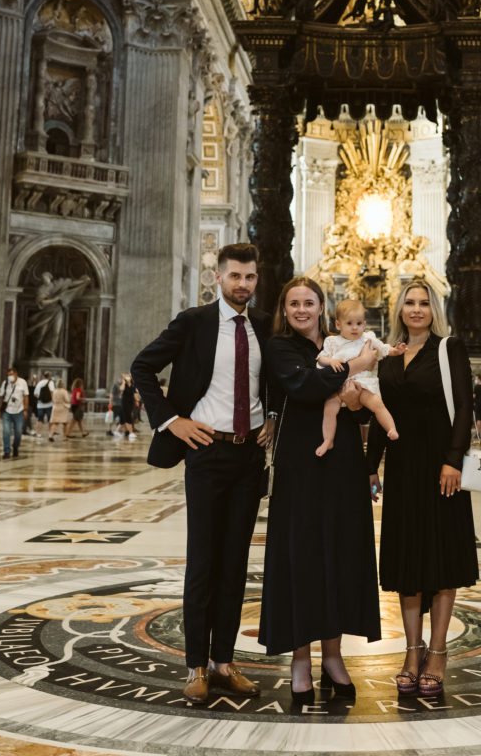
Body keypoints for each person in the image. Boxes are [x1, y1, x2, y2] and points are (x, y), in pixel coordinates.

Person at [131, 242, 273, 706]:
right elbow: (142, 367)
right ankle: (195, 665)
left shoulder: (264, 327)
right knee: (204, 562)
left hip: (249, 456)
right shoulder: (194, 322)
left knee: (235, 565)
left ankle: (224, 663)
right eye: (235, 276)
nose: (243, 285)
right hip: (207, 453)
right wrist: (173, 420)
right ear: (219, 277)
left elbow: (278, 381)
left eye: (250, 277)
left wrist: (274, 416)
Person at [258, 277, 381, 702]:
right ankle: (299, 657)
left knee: (339, 550)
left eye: (309, 302)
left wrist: (352, 388)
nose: (301, 310)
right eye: (293, 303)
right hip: (300, 460)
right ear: (285, 308)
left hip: (343, 457)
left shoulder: (334, 344)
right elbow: (304, 386)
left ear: (321, 306)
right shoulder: (280, 347)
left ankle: (333, 653)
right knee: (302, 552)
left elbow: (358, 400)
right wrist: (358, 368)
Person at [367, 282, 478, 698]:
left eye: (424, 303)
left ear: (435, 310)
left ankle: (437, 652)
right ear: (399, 310)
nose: (417, 310)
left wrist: (454, 459)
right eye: (410, 303)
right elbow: (381, 412)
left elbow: (466, 406)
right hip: (401, 469)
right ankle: (412, 653)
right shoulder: (389, 355)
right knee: (408, 560)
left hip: (440, 466)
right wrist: (370, 467)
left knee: (442, 556)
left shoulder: (449, 349)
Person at [315, 297, 405, 457]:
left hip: (363, 383)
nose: (355, 328)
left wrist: (395, 351)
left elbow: (384, 349)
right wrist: (332, 360)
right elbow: (321, 359)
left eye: (359, 323)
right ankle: (328, 440)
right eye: (349, 323)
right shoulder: (332, 341)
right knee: (329, 408)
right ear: (338, 324)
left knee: (377, 404)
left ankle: (391, 428)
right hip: (338, 385)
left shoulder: (368, 338)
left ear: (364, 323)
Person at [0, 368, 29, 460]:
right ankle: (6, 451)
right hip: (7, 411)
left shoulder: (22, 382)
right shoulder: (5, 383)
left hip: (18, 411)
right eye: (8, 375)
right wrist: (0, 410)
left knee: (18, 432)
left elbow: (26, 396)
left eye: (11, 375)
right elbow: (1, 397)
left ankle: (15, 447)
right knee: (6, 432)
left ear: (16, 374)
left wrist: (25, 409)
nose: (10, 377)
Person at [34, 372, 56, 437]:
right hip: (49, 404)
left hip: (40, 404)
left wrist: (41, 398)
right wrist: (53, 401)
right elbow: (52, 392)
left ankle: (39, 433)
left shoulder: (39, 383)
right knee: (50, 419)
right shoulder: (50, 382)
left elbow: (35, 394)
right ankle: (50, 433)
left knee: (40, 419)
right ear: (49, 377)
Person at [473, 375, 481, 440]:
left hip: (478, 404)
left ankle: (478, 434)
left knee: (479, 419)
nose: (475, 380)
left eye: (476, 379)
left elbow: (474, 396)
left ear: (479, 379)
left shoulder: (476, 387)